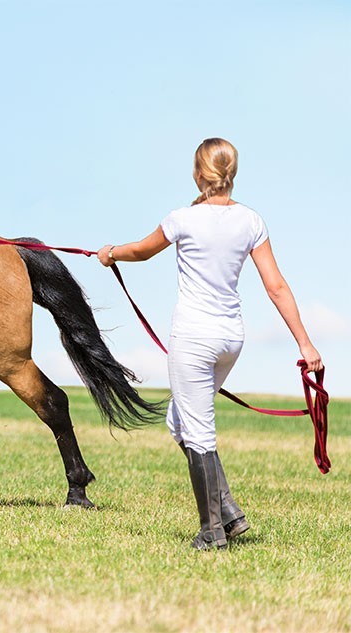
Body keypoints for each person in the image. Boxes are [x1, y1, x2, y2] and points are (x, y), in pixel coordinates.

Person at [97, 138, 323, 550]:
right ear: (231, 174)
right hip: (230, 338)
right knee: (179, 422)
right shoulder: (252, 221)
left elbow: (142, 251)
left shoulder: (182, 218)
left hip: (194, 338)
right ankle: (230, 513)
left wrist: (110, 253)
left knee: (198, 431)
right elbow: (276, 286)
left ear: (200, 175)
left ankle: (212, 531)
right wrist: (305, 344)